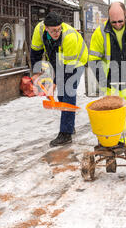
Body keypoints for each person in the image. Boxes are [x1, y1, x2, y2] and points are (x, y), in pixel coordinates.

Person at [88, 2, 126, 145]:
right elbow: (93, 59)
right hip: (109, 80)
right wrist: (103, 79)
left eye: (120, 21)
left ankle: (120, 142)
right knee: (110, 113)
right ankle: (109, 140)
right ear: (108, 18)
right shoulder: (100, 32)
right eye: (113, 22)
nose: (117, 24)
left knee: (120, 113)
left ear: (125, 15)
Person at [30, 12, 88, 147]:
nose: (57, 32)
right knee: (62, 96)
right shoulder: (39, 30)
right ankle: (69, 123)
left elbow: (67, 71)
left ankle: (66, 134)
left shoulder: (69, 37)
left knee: (68, 91)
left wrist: (54, 85)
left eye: (59, 29)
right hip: (58, 61)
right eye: (53, 30)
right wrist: (36, 73)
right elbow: (36, 51)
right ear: (46, 28)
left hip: (75, 62)